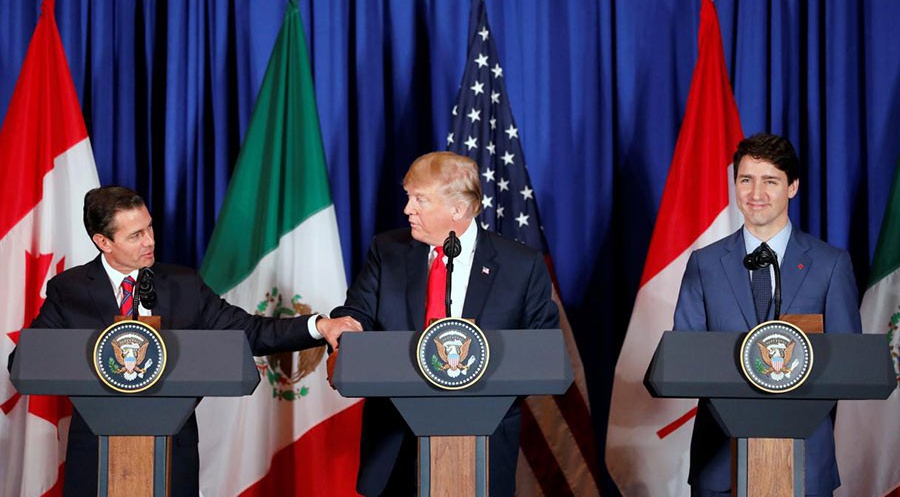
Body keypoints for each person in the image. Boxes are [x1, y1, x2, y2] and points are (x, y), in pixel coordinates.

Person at [8, 186, 361, 496]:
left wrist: (319, 326)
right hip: (97, 453)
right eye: (135, 235)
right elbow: (27, 361)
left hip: (171, 452)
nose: (149, 241)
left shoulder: (184, 285)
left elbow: (250, 331)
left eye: (149, 228)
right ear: (103, 242)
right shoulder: (69, 290)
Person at [331, 151, 559, 496]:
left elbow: (541, 351)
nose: (408, 209)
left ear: (459, 209)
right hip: (396, 440)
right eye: (408, 197)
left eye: (420, 199)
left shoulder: (520, 266)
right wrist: (346, 329)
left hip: (483, 443)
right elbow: (357, 313)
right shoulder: (387, 250)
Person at [673, 133, 861, 496]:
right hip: (720, 465)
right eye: (746, 180)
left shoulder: (830, 265)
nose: (755, 193)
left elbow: (848, 361)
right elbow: (686, 357)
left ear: (792, 187)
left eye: (770, 180)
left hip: (804, 462)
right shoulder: (705, 264)